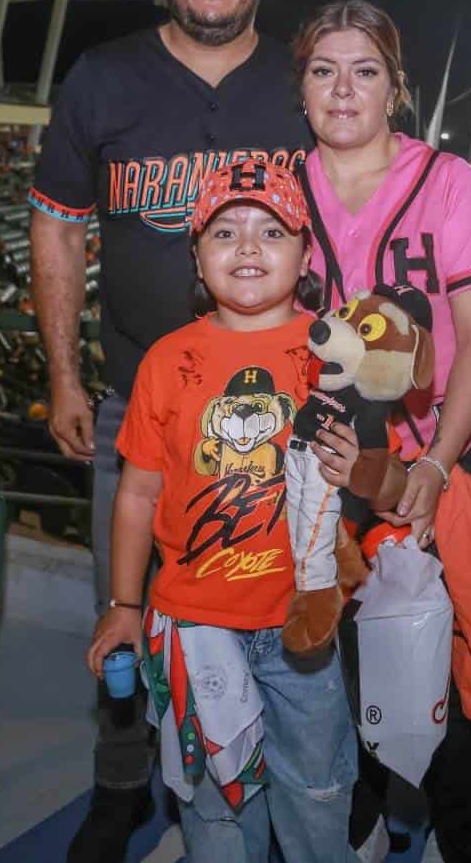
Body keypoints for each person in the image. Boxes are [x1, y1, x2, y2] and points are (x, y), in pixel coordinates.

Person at [28, 0, 315, 860]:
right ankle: (123, 784)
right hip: (136, 396)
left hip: (290, 407)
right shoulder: (101, 76)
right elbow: (58, 231)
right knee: (126, 598)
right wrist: (63, 374)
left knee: (301, 595)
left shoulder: (301, 81)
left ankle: (305, 780)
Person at [287, 0, 471, 862]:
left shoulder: (448, 179)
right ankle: (364, 820)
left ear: (395, 88)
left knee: (445, 681)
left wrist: (433, 461)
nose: (343, 89)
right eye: (324, 70)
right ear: (303, 88)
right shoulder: (281, 185)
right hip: (320, 469)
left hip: (430, 471)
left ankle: (457, 841)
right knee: (343, 670)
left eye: (364, 70)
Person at [84, 162, 354, 861]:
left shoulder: (337, 351)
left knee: (318, 792)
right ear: (198, 259)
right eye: (224, 231)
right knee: (215, 805)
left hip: (302, 626)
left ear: (304, 254)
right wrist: (122, 603)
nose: (248, 247)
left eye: (271, 230)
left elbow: (367, 483)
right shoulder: (167, 360)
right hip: (194, 623)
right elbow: (137, 492)